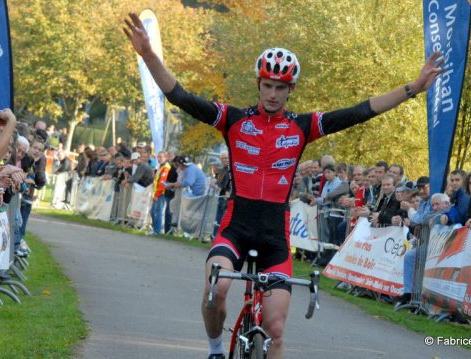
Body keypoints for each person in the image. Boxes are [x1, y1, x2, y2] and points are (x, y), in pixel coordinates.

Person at [124, 12, 442, 359]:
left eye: (280, 87)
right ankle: (216, 349)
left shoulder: (302, 127)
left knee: (275, 330)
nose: (273, 94)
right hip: (235, 228)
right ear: (259, 84)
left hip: (276, 237)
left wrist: (413, 88)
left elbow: (360, 111)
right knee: (218, 289)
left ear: (291, 89)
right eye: (267, 85)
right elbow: (179, 96)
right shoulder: (233, 119)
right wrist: (149, 56)